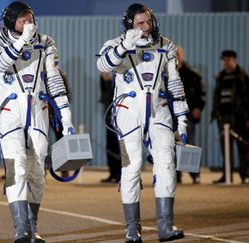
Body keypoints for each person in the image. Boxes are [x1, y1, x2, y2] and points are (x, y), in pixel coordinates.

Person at [0, 1, 75, 242]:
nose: (28, 24)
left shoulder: (45, 43)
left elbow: (54, 79)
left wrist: (65, 114)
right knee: (17, 166)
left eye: (30, 19)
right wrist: (23, 41)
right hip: (8, 113)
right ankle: (21, 229)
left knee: (36, 172)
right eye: (23, 20)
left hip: (37, 111)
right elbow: (0, 64)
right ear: (11, 22)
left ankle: (32, 227)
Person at [96, 3, 187, 242]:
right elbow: (103, 66)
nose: (146, 27)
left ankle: (165, 226)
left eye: (148, 21)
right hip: (129, 112)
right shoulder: (115, 45)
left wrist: (183, 119)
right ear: (130, 25)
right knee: (132, 166)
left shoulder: (166, 45)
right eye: (140, 23)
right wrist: (126, 44)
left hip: (159, 111)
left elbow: (175, 83)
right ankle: (132, 229)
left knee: (167, 165)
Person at [211, 50, 249, 184]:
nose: (225, 62)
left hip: (240, 118)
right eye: (224, 60)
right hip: (223, 117)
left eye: (228, 59)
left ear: (234, 60)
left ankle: (245, 175)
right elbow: (217, 97)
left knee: (243, 149)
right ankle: (227, 175)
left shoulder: (242, 76)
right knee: (226, 149)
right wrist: (216, 113)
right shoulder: (221, 76)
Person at [175, 46, 205, 184]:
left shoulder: (193, 74)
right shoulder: (165, 73)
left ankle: (195, 175)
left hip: (188, 113)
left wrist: (198, 107)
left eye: (177, 54)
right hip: (171, 115)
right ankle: (176, 175)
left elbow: (201, 93)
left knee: (189, 144)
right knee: (172, 145)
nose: (175, 57)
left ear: (182, 56)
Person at [99, 71, 122, 183]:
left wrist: (108, 81)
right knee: (110, 145)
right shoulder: (103, 78)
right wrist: (105, 80)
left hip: (118, 115)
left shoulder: (118, 76)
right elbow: (104, 94)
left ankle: (119, 174)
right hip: (108, 114)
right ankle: (112, 173)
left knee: (118, 145)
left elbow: (114, 95)